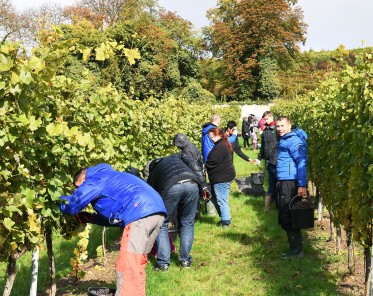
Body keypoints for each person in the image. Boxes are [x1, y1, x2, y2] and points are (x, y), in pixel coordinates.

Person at [60, 163, 166, 296]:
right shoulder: (110, 176)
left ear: (83, 179)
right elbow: (117, 219)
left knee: (127, 265)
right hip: (156, 211)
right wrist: (92, 218)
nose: (78, 190)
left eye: (78, 186)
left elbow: (72, 205)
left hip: (139, 211)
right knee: (137, 263)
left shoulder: (96, 179)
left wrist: (57, 199)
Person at [147, 153, 210, 271]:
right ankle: (185, 261)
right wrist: (203, 186)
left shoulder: (155, 170)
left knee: (162, 224)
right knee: (187, 222)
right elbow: (194, 165)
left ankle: (163, 263)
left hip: (171, 186)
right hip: (192, 183)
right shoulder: (176, 158)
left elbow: (152, 194)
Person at [276, 116, 308, 258]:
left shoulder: (293, 140)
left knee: (289, 215)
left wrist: (301, 184)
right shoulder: (286, 139)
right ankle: (295, 249)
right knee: (287, 214)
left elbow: (301, 163)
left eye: (282, 126)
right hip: (285, 180)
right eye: (278, 126)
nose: (280, 129)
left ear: (289, 126)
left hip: (291, 182)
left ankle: (296, 251)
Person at [205, 127, 236, 229]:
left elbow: (213, 162)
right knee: (214, 197)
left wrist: (205, 165)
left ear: (217, 135)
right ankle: (224, 217)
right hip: (220, 176)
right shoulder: (221, 144)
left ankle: (226, 222)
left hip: (222, 177)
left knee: (221, 200)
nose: (211, 139)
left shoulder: (221, 147)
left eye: (212, 137)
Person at [255, 111, 278, 211]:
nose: (265, 120)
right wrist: (259, 158)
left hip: (277, 160)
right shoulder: (265, 131)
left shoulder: (277, 129)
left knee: (279, 182)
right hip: (268, 160)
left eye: (267, 118)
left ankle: (279, 205)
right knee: (271, 181)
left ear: (272, 117)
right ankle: (266, 208)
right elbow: (263, 146)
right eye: (264, 119)